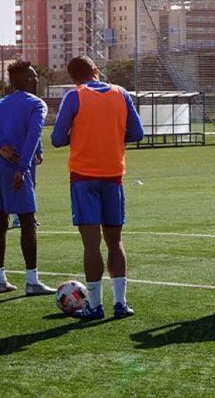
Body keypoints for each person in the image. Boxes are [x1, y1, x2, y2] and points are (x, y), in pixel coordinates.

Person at [51, 56, 144, 320]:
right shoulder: (121, 93)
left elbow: (58, 139)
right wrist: (112, 135)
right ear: (96, 70)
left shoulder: (74, 96)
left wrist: (81, 134)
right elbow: (137, 134)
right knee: (115, 242)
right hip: (113, 175)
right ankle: (120, 303)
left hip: (83, 177)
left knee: (91, 244)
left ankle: (94, 305)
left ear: (73, 78)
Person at [0, 61, 54, 296]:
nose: (37, 80)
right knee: (28, 222)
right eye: (34, 76)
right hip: (13, 168)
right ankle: (32, 281)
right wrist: (22, 167)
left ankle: (0, 279)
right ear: (27, 81)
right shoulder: (37, 104)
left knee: (1, 222)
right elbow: (32, 134)